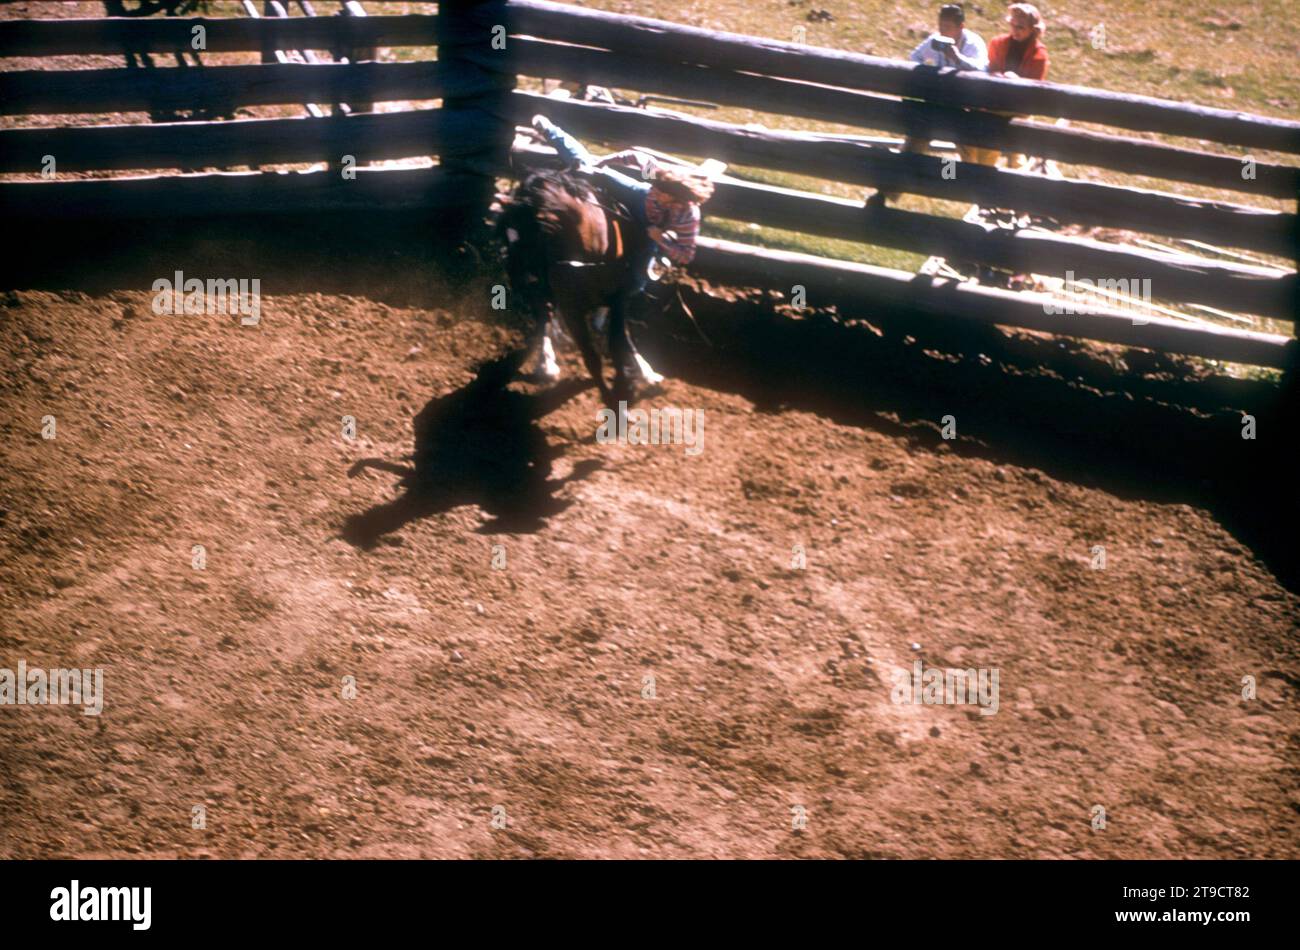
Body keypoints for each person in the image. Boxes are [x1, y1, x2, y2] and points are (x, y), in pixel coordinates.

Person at [530, 114, 713, 294]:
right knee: (588, 167)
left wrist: (660, 239)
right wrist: (606, 161)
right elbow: (634, 156)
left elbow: (686, 254)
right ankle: (550, 130)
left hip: (651, 230)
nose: (655, 192)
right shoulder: (656, 178)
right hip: (638, 195)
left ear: (674, 198)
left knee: (637, 280)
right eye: (655, 188)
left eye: (660, 193)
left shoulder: (688, 216)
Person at [986, 4, 1050, 171]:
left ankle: (1016, 182)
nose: (1015, 30)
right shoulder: (998, 43)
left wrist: (1017, 81)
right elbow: (990, 69)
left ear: (1033, 30)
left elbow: (1034, 91)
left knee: (1016, 153)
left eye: (1020, 27)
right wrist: (997, 76)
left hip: (1019, 109)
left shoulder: (1039, 54)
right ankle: (982, 180)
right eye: (1012, 25)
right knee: (986, 149)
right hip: (994, 105)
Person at [907, 3, 987, 72]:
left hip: (966, 86)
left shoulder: (973, 42)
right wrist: (926, 74)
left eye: (947, 27)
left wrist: (958, 58)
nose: (942, 31)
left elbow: (982, 68)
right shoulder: (936, 39)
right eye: (940, 26)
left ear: (961, 27)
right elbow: (914, 56)